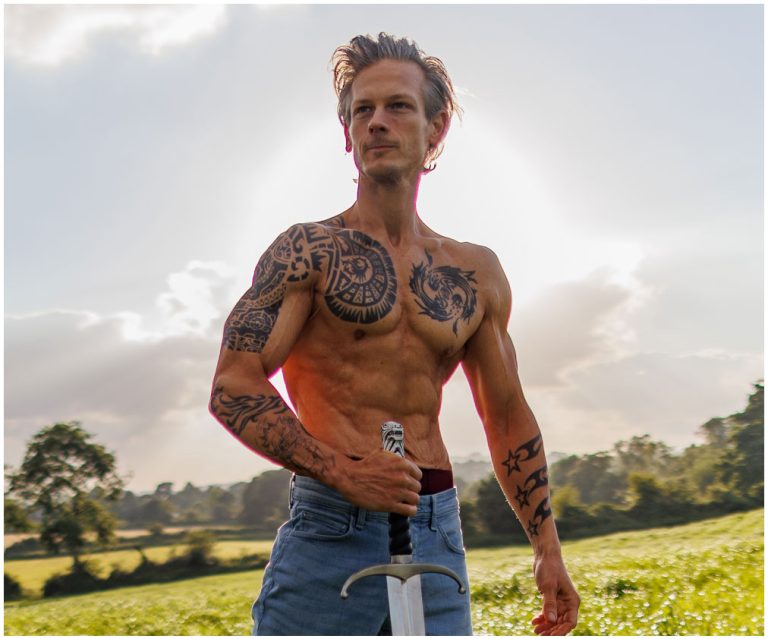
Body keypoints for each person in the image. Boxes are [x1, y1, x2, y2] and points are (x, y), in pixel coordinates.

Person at [210, 32, 580, 636]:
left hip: (434, 529)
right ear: (348, 133)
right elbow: (232, 385)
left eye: (397, 107)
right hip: (331, 527)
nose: (377, 122)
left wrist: (547, 548)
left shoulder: (474, 272)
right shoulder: (308, 252)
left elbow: (507, 416)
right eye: (363, 110)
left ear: (436, 130)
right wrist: (342, 471)